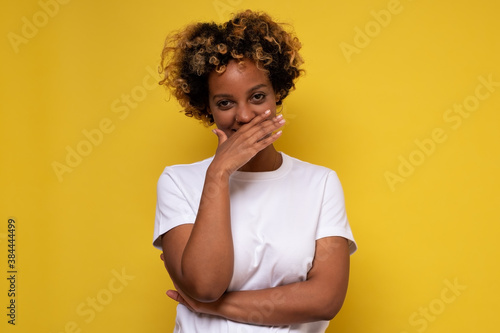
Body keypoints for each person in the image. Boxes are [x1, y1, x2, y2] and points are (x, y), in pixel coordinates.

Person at [152, 9, 357, 332]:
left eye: (258, 97)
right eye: (225, 103)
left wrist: (215, 307)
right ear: (207, 107)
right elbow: (205, 284)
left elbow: (325, 300)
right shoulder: (178, 182)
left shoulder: (320, 184)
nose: (245, 116)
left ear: (278, 94)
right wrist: (218, 174)